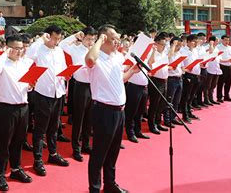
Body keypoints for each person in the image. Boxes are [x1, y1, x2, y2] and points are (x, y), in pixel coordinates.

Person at [85, 24, 137, 193]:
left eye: (117, 38)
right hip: (103, 111)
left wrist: (132, 72)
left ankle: (110, 184)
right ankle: (94, 187)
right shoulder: (97, 56)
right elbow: (89, 60)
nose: (117, 41)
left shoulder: (116, 56)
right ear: (104, 38)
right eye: (113, 38)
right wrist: (99, 39)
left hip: (119, 110)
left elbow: (120, 79)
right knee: (99, 152)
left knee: (113, 152)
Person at [26, 25, 69, 177]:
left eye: (59, 38)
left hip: (58, 92)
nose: (56, 41)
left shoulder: (59, 51)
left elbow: (63, 68)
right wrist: (40, 41)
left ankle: (53, 153)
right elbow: (28, 56)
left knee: (54, 126)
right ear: (48, 36)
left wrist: (66, 75)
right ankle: (37, 160)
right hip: (43, 93)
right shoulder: (38, 49)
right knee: (40, 129)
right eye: (54, 38)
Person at [0, 35, 34, 191]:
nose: (19, 51)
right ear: (8, 48)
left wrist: (30, 85)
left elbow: (27, 85)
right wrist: (4, 54)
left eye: (21, 48)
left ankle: (15, 169)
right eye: (15, 48)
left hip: (23, 106)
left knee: (19, 140)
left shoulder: (24, 64)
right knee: (4, 143)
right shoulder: (1, 64)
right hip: (6, 108)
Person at [59, 27, 97, 161]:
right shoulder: (75, 49)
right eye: (88, 39)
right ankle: (76, 147)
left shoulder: (95, 51)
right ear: (83, 37)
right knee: (79, 119)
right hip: (80, 87)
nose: (91, 42)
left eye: (93, 39)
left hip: (94, 86)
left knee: (89, 118)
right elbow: (62, 45)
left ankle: (86, 144)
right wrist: (75, 36)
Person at [147, 35, 169, 134]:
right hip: (156, 80)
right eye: (162, 44)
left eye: (165, 44)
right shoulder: (153, 53)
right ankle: (152, 124)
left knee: (162, 104)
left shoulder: (164, 53)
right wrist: (153, 51)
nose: (164, 46)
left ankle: (158, 122)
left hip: (164, 80)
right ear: (156, 43)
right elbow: (150, 63)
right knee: (154, 104)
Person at [216, 35, 231, 102]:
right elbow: (218, 59)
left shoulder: (230, 47)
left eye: (228, 40)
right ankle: (219, 97)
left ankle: (226, 96)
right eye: (225, 40)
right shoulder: (218, 47)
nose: (227, 41)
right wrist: (228, 60)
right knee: (220, 82)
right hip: (222, 66)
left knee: (228, 82)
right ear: (222, 40)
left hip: (230, 67)